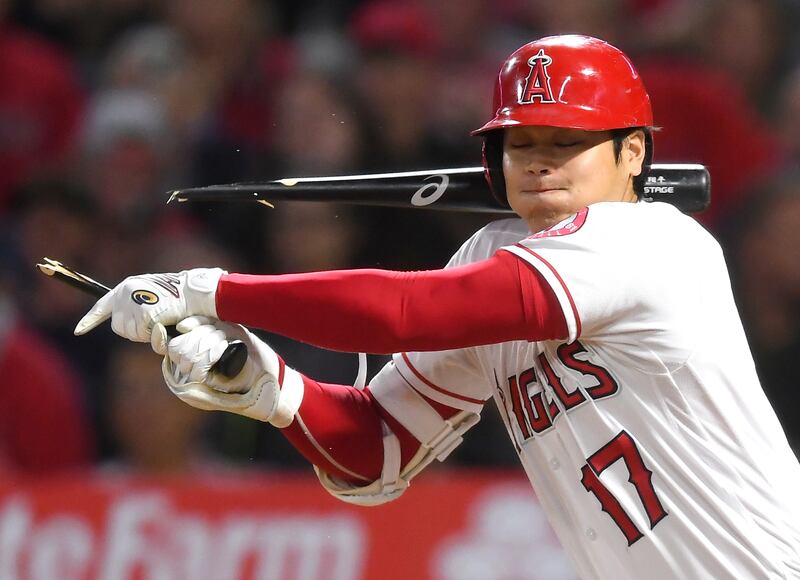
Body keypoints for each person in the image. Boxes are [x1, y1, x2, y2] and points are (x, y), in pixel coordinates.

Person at [72, 35, 800, 579]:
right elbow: (375, 450)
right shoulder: (495, 253)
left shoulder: (648, 239)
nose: (541, 161)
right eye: (522, 141)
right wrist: (270, 391)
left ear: (635, 154)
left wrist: (212, 289)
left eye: (568, 141)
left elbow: (410, 313)